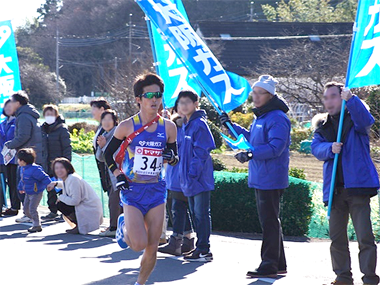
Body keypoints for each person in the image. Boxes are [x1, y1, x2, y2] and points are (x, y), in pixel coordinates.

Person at [104, 73, 178, 285]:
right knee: (137, 244)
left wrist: (170, 157)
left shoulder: (169, 128)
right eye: (149, 95)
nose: (155, 100)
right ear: (139, 99)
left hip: (156, 190)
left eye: (158, 95)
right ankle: (123, 226)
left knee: (153, 245)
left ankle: (140, 283)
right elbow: (108, 154)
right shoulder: (127, 126)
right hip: (132, 190)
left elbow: (174, 158)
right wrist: (118, 175)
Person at [220, 75, 290, 278]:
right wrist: (230, 125)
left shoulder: (277, 117)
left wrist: (250, 154)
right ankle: (279, 263)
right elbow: (251, 139)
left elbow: (276, 147)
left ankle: (269, 264)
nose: (256, 97)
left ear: (270, 95)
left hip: (271, 178)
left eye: (260, 93)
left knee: (269, 221)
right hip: (262, 176)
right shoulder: (262, 116)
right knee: (271, 220)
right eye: (255, 93)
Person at [311, 82, 379, 285]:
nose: (328, 101)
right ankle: (342, 277)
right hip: (335, 192)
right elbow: (316, 148)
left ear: (342, 98)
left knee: (365, 237)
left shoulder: (354, 119)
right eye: (326, 97)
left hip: (357, 188)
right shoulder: (322, 127)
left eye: (333, 96)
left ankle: (369, 279)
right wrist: (329, 148)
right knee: (337, 238)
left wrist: (353, 100)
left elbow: (367, 121)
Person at [177, 90, 215, 262]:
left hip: (198, 179)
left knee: (200, 213)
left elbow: (202, 152)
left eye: (187, 102)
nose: (183, 105)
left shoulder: (199, 124)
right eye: (181, 102)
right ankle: (200, 248)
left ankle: (204, 250)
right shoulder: (186, 123)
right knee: (195, 213)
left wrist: (192, 173)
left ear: (196, 104)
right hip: (190, 179)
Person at [158, 103, 195, 256]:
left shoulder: (183, 129)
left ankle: (176, 241)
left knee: (177, 208)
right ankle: (186, 239)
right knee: (177, 208)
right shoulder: (173, 128)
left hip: (180, 175)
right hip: (173, 175)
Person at [5, 91, 43, 223]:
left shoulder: (23, 116)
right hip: (29, 155)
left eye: (11, 101)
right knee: (26, 185)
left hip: (26, 156)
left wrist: (9, 144)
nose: (10, 104)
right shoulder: (27, 114)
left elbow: (23, 136)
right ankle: (29, 214)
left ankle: (29, 214)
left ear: (18, 103)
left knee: (25, 185)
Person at [47, 158, 103, 234]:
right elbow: (67, 186)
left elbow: (75, 201)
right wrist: (55, 183)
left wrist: (60, 197)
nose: (59, 170)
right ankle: (78, 225)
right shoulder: (68, 178)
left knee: (61, 204)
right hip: (86, 207)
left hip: (89, 209)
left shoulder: (73, 179)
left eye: (62, 167)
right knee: (61, 203)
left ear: (68, 168)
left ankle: (79, 225)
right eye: (56, 168)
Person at [40, 104, 72, 221]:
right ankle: (53, 211)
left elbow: (67, 147)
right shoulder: (42, 129)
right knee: (50, 187)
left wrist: (67, 163)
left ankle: (65, 212)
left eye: (52, 114)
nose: (49, 117)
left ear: (56, 115)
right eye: (47, 114)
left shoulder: (62, 129)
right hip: (47, 164)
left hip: (60, 164)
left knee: (63, 188)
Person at [95, 109, 122, 237]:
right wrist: (101, 146)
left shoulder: (118, 133)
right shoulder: (105, 134)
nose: (106, 122)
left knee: (116, 201)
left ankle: (115, 227)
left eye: (109, 119)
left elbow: (114, 154)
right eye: (104, 119)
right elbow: (100, 157)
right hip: (110, 174)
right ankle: (114, 226)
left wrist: (105, 146)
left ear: (115, 121)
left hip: (119, 173)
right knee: (113, 201)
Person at [17, 148, 51, 233]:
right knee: (26, 210)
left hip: (36, 192)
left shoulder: (35, 169)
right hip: (28, 192)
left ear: (23, 161)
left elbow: (44, 177)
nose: (17, 161)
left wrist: (49, 184)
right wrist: (21, 188)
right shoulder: (22, 168)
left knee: (32, 209)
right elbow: (22, 180)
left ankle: (37, 225)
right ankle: (34, 219)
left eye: (18, 159)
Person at [0, 100, 19, 217]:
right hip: (2, 157)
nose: (8, 108)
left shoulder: (17, 122)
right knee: (2, 183)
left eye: (11, 106)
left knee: (13, 182)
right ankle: (3, 205)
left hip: (14, 157)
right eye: (6, 106)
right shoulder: (3, 123)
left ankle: (14, 206)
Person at [91, 99, 112, 196]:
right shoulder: (100, 127)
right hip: (104, 171)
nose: (92, 112)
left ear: (102, 109)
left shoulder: (109, 128)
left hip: (111, 173)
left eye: (94, 109)